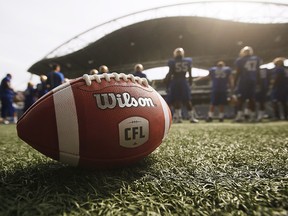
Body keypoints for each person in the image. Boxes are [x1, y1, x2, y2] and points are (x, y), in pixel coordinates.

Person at [165, 47, 198, 123]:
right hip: (183, 81)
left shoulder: (172, 62)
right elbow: (190, 73)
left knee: (177, 100)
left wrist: (167, 84)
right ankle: (191, 117)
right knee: (187, 100)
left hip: (175, 81)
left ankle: (179, 117)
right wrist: (190, 82)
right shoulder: (188, 61)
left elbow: (170, 74)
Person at [233, 46, 262, 122]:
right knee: (252, 99)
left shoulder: (240, 60)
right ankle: (252, 116)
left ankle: (239, 116)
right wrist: (259, 82)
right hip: (253, 81)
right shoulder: (257, 59)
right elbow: (258, 72)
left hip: (244, 81)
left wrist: (235, 82)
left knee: (241, 99)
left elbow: (238, 72)